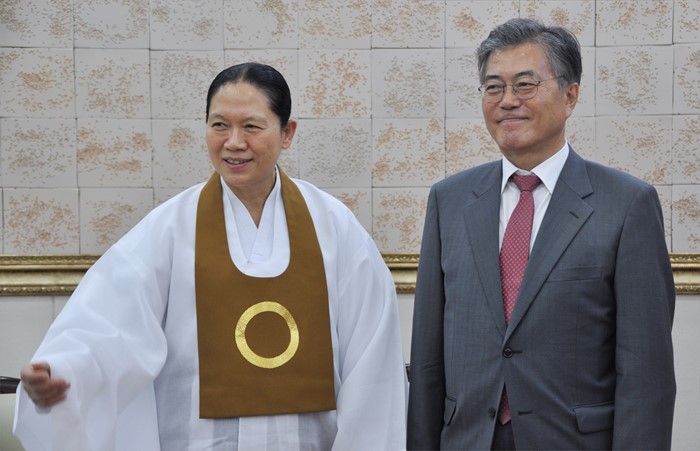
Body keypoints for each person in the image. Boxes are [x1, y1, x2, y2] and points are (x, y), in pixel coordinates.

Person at [14, 62, 408, 450]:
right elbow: (110, 321)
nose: (233, 142)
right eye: (219, 125)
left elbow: (371, 355)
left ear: (287, 133)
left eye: (251, 126)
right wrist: (63, 368)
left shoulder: (335, 228)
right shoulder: (170, 228)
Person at [407, 18, 676, 450]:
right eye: (493, 87)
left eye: (525, 85)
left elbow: (646, 374)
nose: (507, 101)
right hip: (468, 438)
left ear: (570, 96)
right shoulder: (449, 200)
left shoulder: (627, 205)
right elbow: (426, 360)